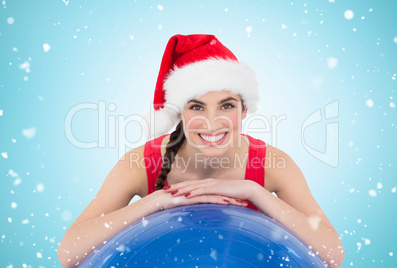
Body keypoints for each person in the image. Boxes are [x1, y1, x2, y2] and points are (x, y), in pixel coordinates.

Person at [58, 34, 344, 267]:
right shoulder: (141, 163)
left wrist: (253, 192)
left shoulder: (271, 163)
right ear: (179, 112)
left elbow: (332, 256)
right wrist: (153, 203)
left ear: (244, 110)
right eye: (196, 107)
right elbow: (69, 254)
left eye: (227, 105)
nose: (212, 122)